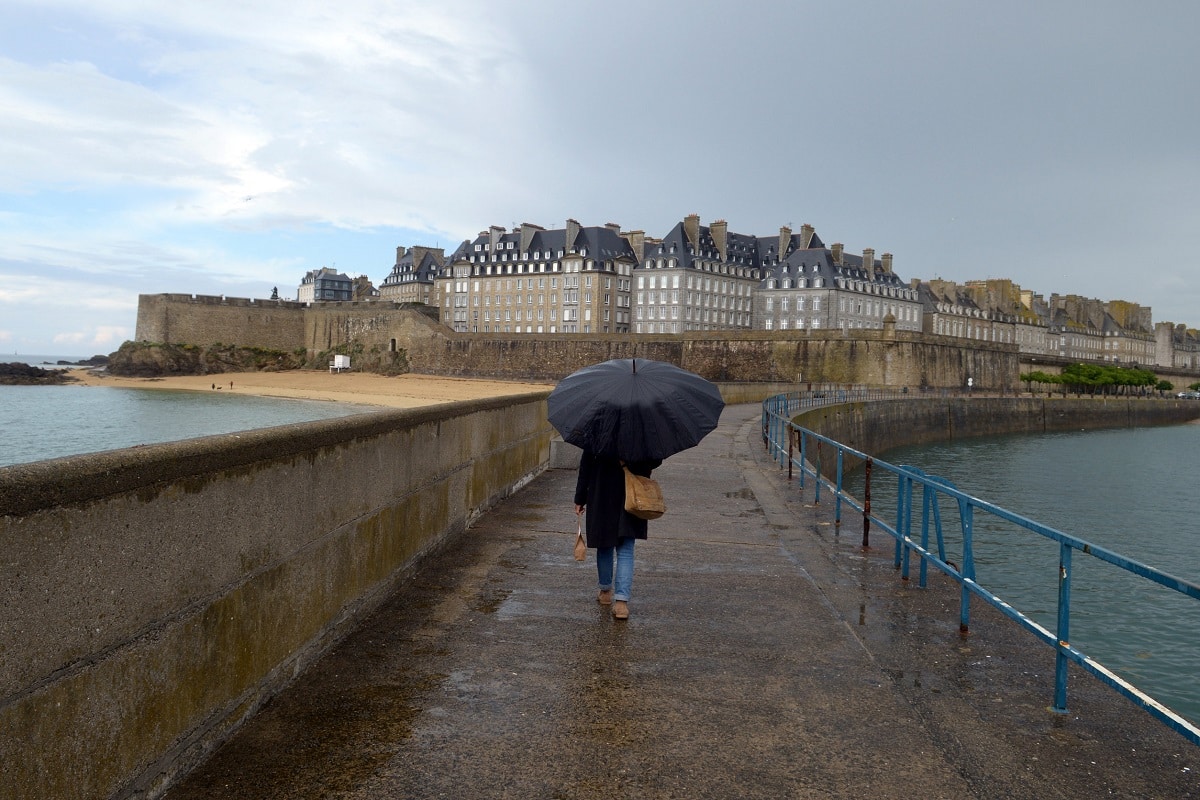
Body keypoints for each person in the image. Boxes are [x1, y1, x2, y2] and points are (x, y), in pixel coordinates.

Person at [573, 451, 661, 620]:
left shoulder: (597, 427)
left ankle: (605, 591)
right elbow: (655, 459)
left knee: (604, 544)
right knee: (626, 549)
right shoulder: (641, 428)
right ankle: (621, 603)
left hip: (602, 493)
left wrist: (580, 497)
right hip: (631, 494)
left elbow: (586, 465)